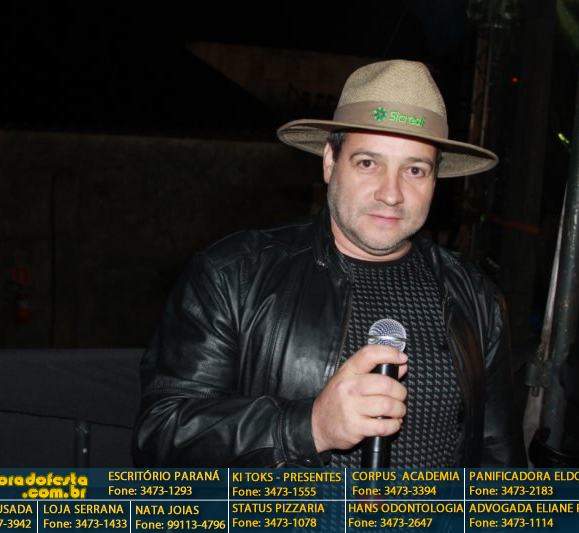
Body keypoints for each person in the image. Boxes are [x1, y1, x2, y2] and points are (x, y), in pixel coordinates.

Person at [132, 60, 525, 468]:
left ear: (435, 180)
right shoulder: (234, 276)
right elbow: (159, 435)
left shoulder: (475, 297)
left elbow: (499, 461)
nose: (391, 193)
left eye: (414, 169)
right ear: (329, 162)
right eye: (368, 163)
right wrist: (311, 426)